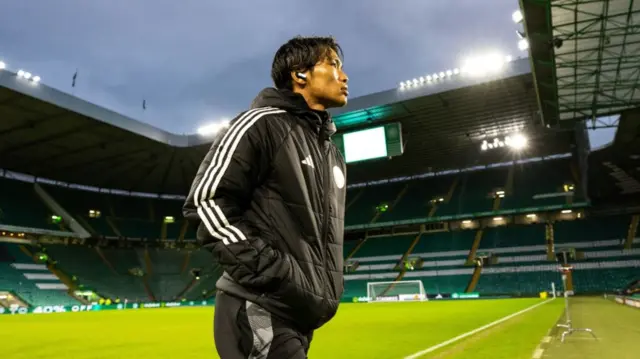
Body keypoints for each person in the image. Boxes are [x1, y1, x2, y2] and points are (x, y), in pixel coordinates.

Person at [183, 36, 349, 358]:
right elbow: (206, 201)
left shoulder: (332, 155)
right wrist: (273, 272)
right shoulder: (260, 125)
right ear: (299, 74)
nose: (343, 76)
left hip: (300, 315)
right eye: (332, 64)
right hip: (259, 306)